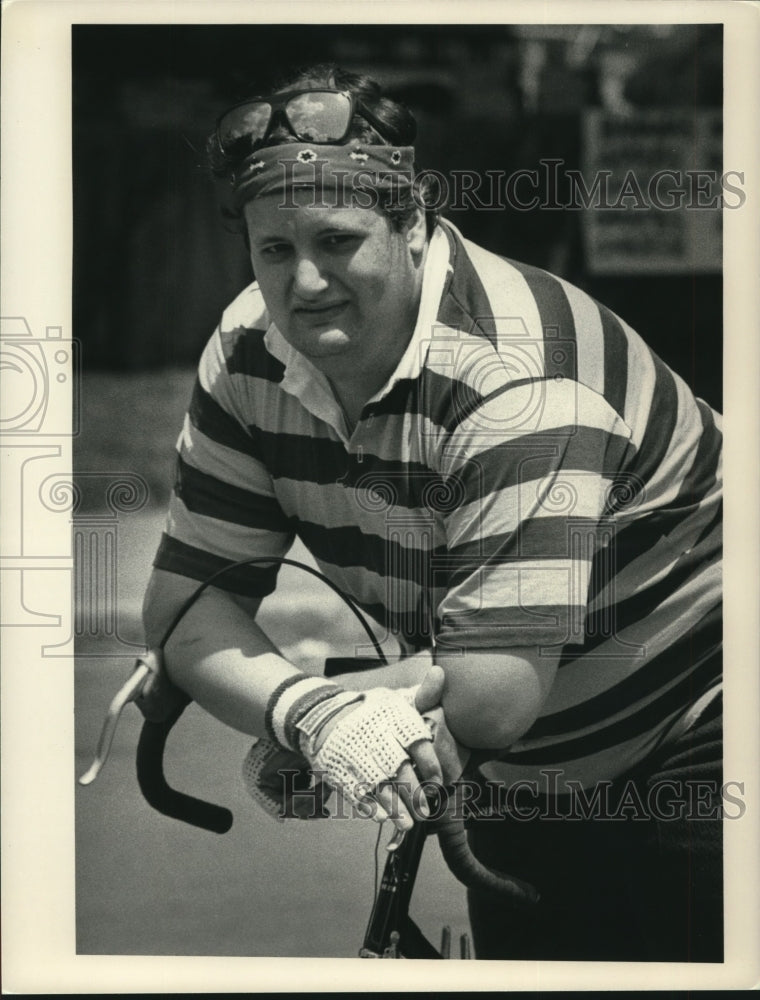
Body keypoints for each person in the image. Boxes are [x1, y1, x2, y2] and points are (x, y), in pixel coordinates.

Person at [138, 64, 723, 962]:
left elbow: (491, 698)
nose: (304, 284)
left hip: (707, 720)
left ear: (412, 224)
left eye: (338, 241)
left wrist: (325, 703)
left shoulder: (520, 380)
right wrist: (308, 712)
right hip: (532, 765)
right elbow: (182, 610)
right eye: (273, 250)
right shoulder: (248, 349)